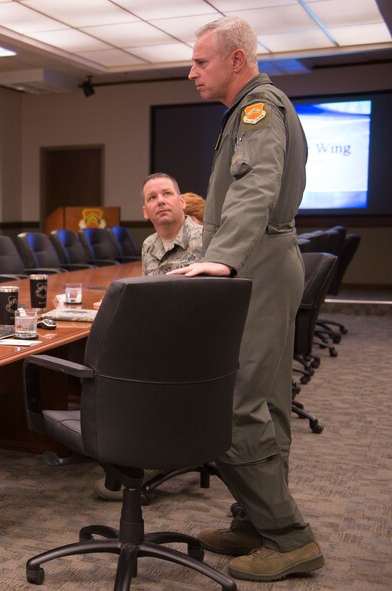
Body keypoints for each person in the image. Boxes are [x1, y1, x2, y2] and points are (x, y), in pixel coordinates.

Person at [170, 16, 323, 582]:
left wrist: (224, 255)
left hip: (256, 262)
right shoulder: (250, 109)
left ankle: (290, 538)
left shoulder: (260, 107)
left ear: (237, 59)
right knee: (267, 402)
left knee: (236, 404)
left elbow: (257, 183)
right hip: (261, 261)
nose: (191, 72)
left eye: (200, 62)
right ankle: (256, 520)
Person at [140, 173, 203, 276]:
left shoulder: (206, 238)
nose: (160, 201)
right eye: (152, 197)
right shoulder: (148, 245)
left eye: (167, 193)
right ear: (145, 212)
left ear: (182, 202)